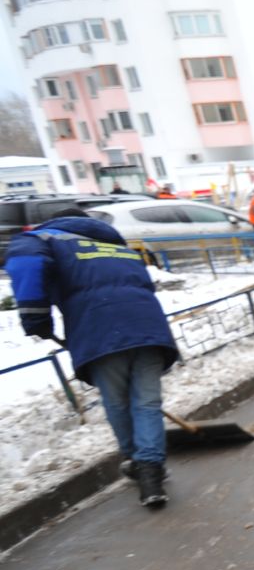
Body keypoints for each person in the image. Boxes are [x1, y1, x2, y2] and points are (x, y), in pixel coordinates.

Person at [4, 213, 181, 508]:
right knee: (147, 403)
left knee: (118, 403)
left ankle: (138, 464)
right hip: (148, 327)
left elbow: (25, 264)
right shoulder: (117, 248)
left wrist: (35, 318)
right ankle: (152, 471)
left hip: (100, 332)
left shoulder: (42, 240)